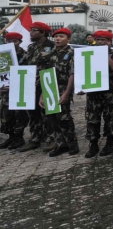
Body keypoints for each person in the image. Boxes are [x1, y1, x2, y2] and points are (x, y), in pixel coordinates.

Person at [38, 28, 79, 156]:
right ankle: (61, 144)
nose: (57, 39)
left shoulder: (71, 53)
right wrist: (42, 95)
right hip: (49, 87)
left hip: (63, 88)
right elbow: (45, 74)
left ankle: (72, 145)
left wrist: (67, 93)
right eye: (56, 37)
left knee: (64, 118)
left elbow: (72, 74)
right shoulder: (50, 54)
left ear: (68, 39)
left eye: (61, 36)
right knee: (52, 118)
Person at [83, 30, 113, 158]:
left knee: (111, 118)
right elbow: (82, 70)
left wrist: (104, 54)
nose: (100, 42)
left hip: (110, 92)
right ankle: (93, 144)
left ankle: (109, 143)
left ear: (109, 42)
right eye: (98, 40)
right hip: (93, 92)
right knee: (92, 119)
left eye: (103, 40)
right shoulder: (89, 53)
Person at [17, 22, 55, 153]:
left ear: (43, 32)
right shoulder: (31, 47)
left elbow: (55, 65)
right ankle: (35, 138)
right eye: (31, 30)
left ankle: (51, 138)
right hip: (30, 84)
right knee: (32, 112)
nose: (31, 32)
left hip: (46, 83)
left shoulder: (52, 46)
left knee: (47, 112)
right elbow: (24, 63)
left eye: (34, 30)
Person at [0, 32, 28, 150]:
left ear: (20, 42)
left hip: (19, 90)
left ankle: (18, 138)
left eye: (15, 41)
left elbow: (28, 74)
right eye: (9, 41)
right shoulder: (3, 55)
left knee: (19, 115)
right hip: (5, 91)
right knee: (6, 114)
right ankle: (11, 137)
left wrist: (14, 85)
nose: (12, 43)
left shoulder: (25, 55)